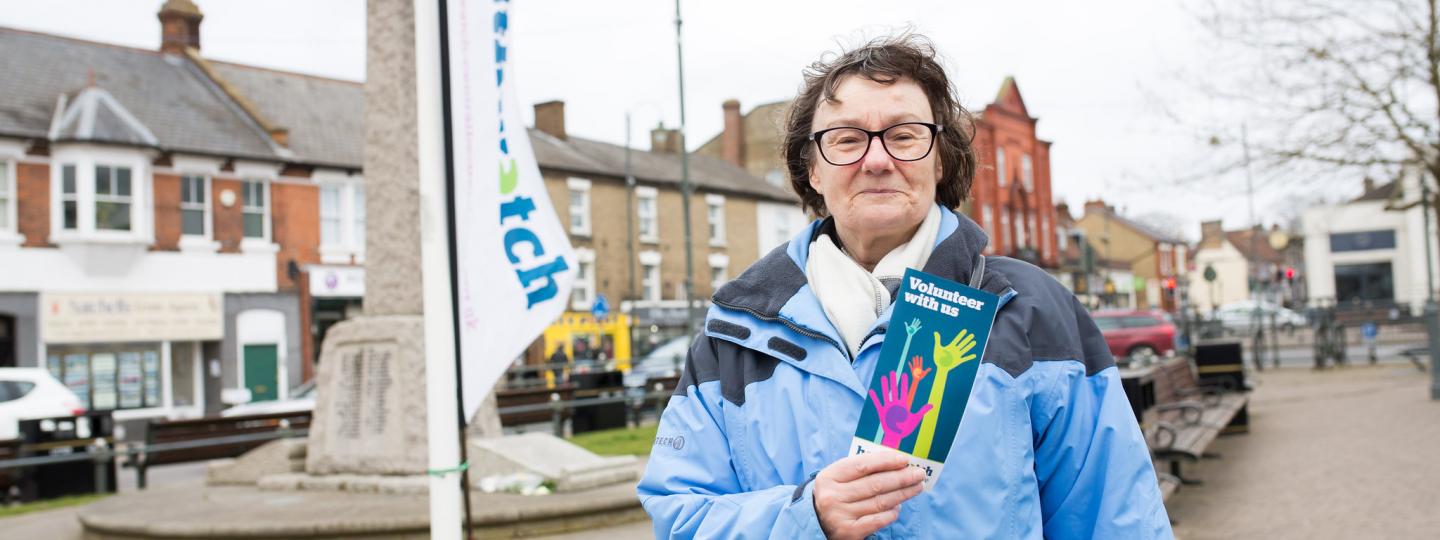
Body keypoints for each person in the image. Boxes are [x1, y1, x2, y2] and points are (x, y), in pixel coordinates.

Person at [637, 34, 1172, 539]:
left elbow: (1114, 516)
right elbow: (680, 514)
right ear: (813, 171)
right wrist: (806, 516)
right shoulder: (734, 333)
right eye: (845, 140)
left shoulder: (1030, 310)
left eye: (904, 136)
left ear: (940, 159)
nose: (876, 160)